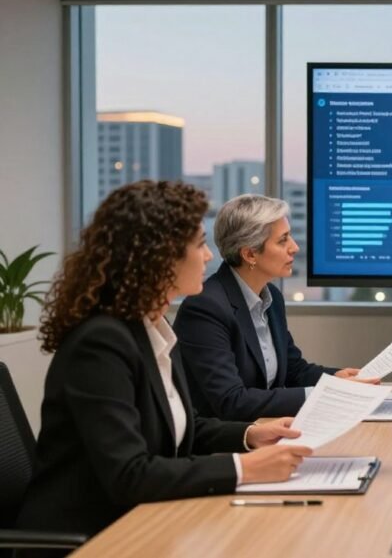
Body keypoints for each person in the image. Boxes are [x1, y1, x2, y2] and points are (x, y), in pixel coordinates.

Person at [17, 181, 312, 540]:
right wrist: (242, 467)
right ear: (158, 256)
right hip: (92, 537)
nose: (208, 257)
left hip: (147, 519)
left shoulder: (150, 326)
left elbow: (181, 428)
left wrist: (250, 434)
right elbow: (130, 474)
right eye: (200, 244)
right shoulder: (100, 345)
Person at [174, 194, 376, 422]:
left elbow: (293, 370)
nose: (295, 248)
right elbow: (231, 401)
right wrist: (324, 394)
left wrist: (336, 377)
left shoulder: (272, 298)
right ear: (250, 254)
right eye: (283, 241)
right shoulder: (205, 307)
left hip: (267, 429)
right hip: (225, 445)